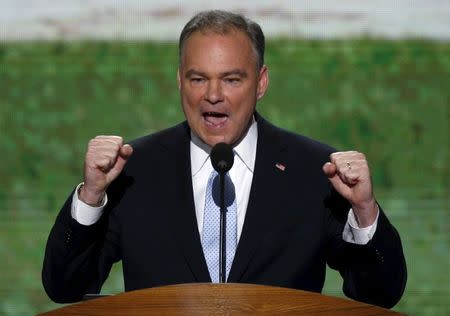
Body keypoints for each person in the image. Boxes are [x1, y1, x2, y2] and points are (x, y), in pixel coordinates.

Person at [42, 10, 407, 308]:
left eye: (231, 80)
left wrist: (364, 211)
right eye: (198, 79)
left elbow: (379, 295)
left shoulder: (314, 171)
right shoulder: (135, 170)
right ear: (180, 82)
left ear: (260, 83)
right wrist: (90, 197)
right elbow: (65, 288)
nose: (213, 95)